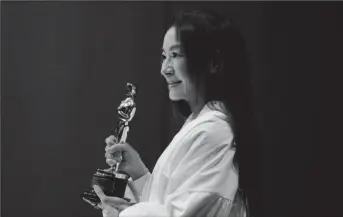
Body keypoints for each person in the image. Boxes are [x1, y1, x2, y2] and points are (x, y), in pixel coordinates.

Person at [86, 8, 259, 217]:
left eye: (175, 55)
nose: (165, 68)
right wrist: (139, 173)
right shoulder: (201, 124)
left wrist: (122, 215)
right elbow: (172, 203)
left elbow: (188, 213)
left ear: (214, 63)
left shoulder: (213, 131)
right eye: (163, 56)